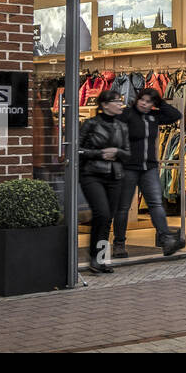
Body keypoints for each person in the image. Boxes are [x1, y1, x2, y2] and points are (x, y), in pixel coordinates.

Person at [115, 86, 186, 258]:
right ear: (137, 99)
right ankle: (119, 244)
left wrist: (160, 102)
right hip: (129, 167)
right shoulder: (127, 115)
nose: (145, 104)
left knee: (155, 204)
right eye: (143, 100)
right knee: (123, 207)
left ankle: (166, 240)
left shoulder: (154, 117)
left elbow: (176, 115)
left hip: (149, 167)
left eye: (149, 102)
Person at [79, 88, 130, 274]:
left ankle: (100, 260)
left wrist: (117, 153)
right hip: (92, 175)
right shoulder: (90, 124)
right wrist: (99, 154)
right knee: (101, 213)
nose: (120, 104)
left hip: (115, 176)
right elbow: (76, 149)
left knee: (107, 218)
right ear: (105, 105)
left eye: (120, 101)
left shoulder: (122, 126)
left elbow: (127, 152)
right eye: (116, 101)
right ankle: (95, 257)